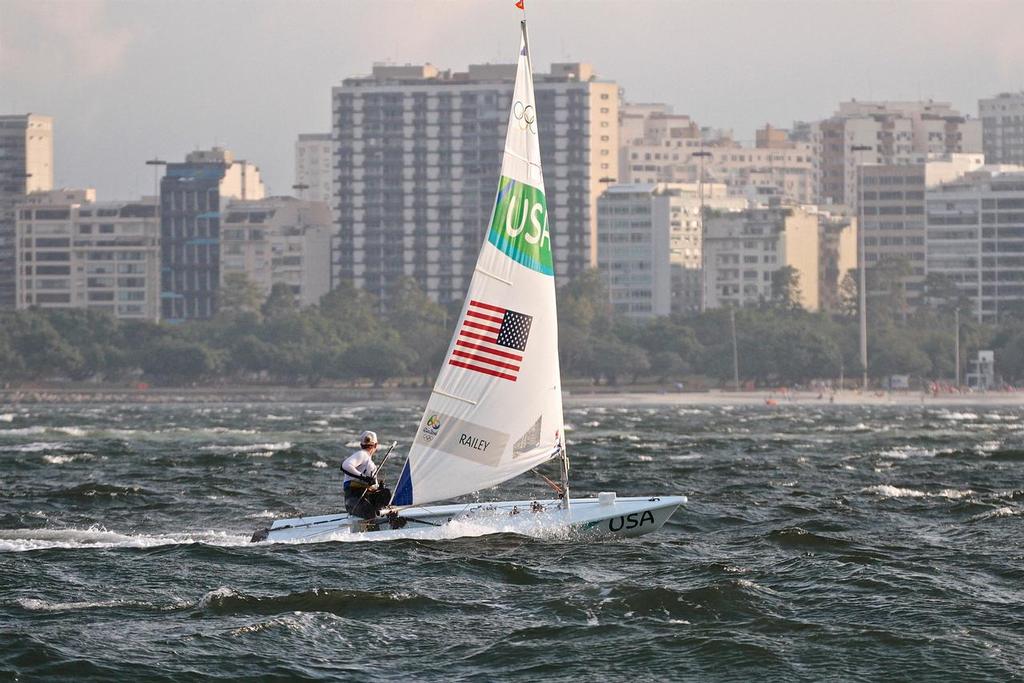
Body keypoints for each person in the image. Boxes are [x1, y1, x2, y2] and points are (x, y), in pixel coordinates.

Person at [340, 430, 392, 520]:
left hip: (364, 498)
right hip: (354, 500)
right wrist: (364, 478)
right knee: (369, 512)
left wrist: (378, 487)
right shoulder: (362, 454)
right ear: (376, 445)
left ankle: (391, 520)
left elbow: (371, 485)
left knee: (385, 493)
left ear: (361, 445)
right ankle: (377, 530)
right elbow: (345, 466)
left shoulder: (369, 462)